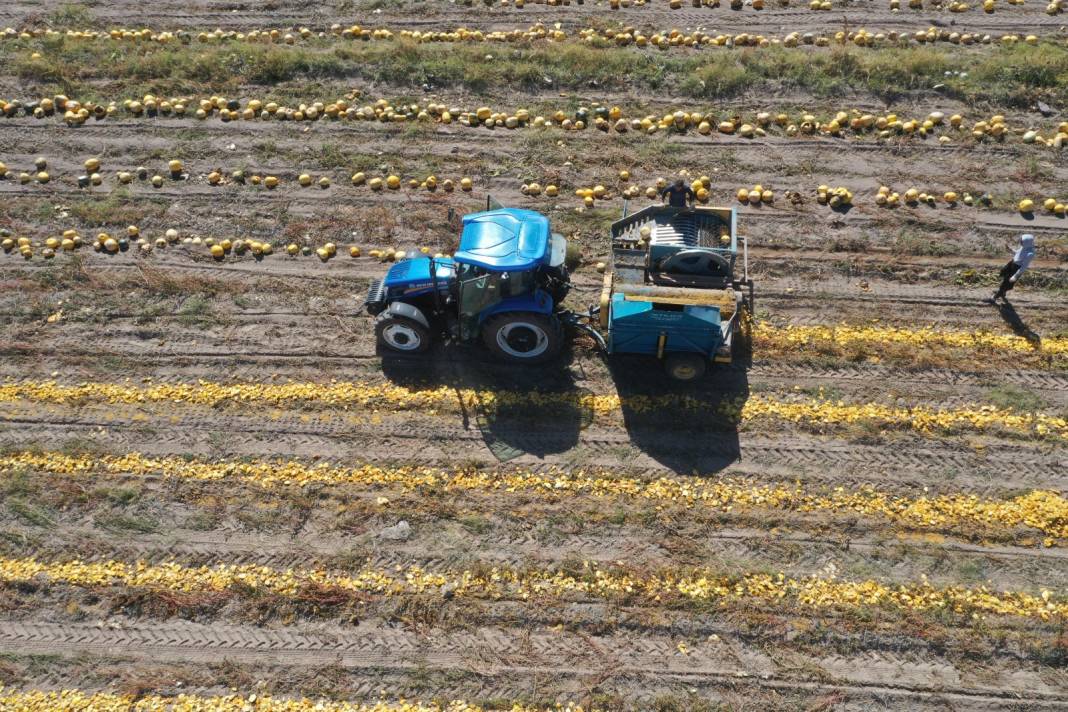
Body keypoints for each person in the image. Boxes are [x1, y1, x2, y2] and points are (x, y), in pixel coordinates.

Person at [992, 234, 1035, 302]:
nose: (1020, 242)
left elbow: (1024, 267)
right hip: (1012, 263)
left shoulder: (1030, 254)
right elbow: (1017, 253)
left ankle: (995, 297)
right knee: (1004, 273)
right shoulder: (1024, 247)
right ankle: (1003, 292)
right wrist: (1010, 249)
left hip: (1016, 268)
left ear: (1026, 242)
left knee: (1006, 283)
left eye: (1022, 241)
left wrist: (1015, 276)